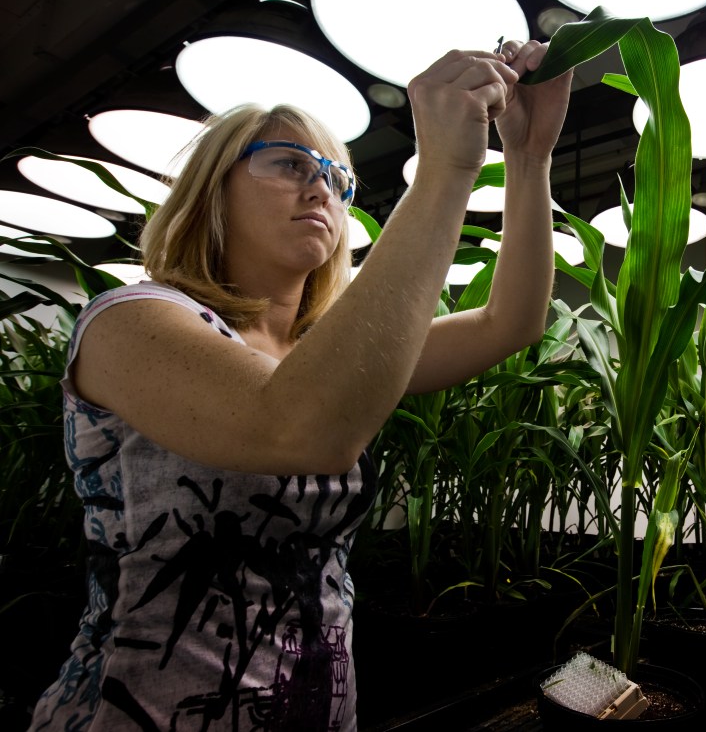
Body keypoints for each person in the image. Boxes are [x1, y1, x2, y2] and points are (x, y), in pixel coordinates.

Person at [29, 40, 573, 732]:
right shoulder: (130, 322)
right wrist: (445, 166)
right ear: (212, 186)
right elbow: (296, 425)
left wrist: (529, 157)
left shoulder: (326, 357)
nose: (321, 186)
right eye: (289, 163)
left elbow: (510, 320)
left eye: (337, 178)